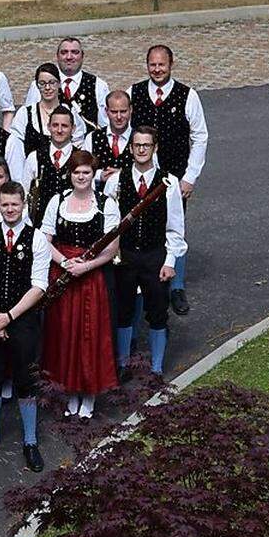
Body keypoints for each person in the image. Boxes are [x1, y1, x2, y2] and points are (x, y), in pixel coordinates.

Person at [0, 182, 51, 473]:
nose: (10, 209)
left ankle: (30, 441)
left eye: (15, 204)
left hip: (23, 320)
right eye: (5, 205)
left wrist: (9, 317)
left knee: (26, 381)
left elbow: (40, 286)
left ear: (23, 204)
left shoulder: (37, 239)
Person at [128, 44, 207, 316]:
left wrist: (190, 177)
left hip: (174, 178)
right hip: (142, 176)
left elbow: (199, 136)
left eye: (162, 64)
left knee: (175, 226)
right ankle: (142, 280)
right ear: (146, 65)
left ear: (171, 65)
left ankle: (177, 286)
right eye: (152, 64)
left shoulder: (188, 95)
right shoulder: (134, 93)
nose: (157, 69)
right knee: (142, 226)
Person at [40, 151, 119, 419]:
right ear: (69, 175)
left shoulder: (106, 204)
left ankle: (89, 393)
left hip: (91, 279)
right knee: (65, 334)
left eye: (86, 172)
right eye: (76, 172)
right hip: (63, 277)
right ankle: (71, 391)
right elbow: (45, 239)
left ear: (93, 174)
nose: (81, 177)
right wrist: (64, 263)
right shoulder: (57, 200)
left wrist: (84, 266)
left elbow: (111, 249)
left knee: (89, 335)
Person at [104, 126, 187, 377]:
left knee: (158, 311)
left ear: (155, 148)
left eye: (146, 145)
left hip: (154, 256)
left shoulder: (168, 183)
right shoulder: (115, 182)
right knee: (124, 310)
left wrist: (170, 261)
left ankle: (157, 368)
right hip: (125, 256)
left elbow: (175, 228)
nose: (141, 150)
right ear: (130, 148)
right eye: (137, 145)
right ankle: (122, 364)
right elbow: (109, 223)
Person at [5, 63, 85, 183]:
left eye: (52, 82)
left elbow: (78, 148)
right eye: (42, 83)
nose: (47, 88)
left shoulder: (70, 113)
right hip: (33, 178)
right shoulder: (25, 114)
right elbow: (16, 152)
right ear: (37, 85)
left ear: (59, 84)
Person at [22, 37, 110, 132]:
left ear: (82, 56)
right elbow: (29, 121)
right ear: (57, 56)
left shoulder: (99, 86)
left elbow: (105, 126)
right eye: (64, 52)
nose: (69, 57)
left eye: (74, 52)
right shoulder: (38, 85)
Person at [20, 106, 84, 225]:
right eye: (55, 125)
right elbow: (23, 195)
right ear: (48, 127)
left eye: (64, 126)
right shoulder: (34, 157)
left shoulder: (81, 158)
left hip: (71, 224)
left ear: (73, 129)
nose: (59, 130)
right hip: (39, 225)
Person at [89, 90, 134, 185]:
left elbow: (151, 171)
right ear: (106, 111)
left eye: (123, 111)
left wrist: (122, 175)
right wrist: (99, 175)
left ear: (131, 110)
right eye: (114, 112)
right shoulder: (92, 138)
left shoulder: (141, 138)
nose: (119, 117)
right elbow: (81, 170)